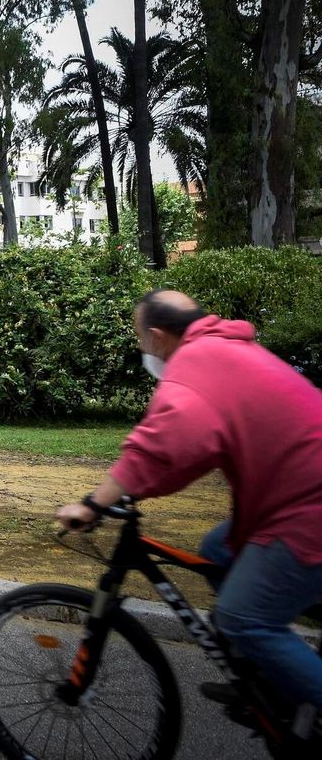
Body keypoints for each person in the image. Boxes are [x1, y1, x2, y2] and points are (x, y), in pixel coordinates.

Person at [56, 290, 322, 712]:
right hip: (290, 498)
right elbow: (193, 454)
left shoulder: (195, 364)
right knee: (218, 550)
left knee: (243, 618)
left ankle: (271, 658)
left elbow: (161, 446)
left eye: (140, 338)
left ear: (158, 336)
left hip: (306, 508)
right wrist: (140, 485)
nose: (142, 348)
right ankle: (266, 675)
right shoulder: (226, 348)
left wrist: (92, 504)